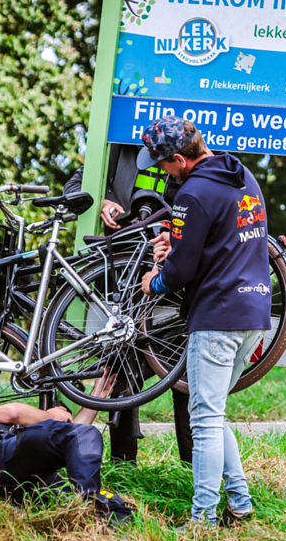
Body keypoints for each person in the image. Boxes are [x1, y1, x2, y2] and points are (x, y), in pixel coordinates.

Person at [140, 116, 271, 529]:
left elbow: (179, 272)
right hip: (254, 311)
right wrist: (176, 240)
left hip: (217, 315)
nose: (161, 171)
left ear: (179, 159)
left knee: (204, 421)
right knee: (214, 414)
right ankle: (241, 505)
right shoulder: (240, 173)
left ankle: (201, 520)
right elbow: (221, 237)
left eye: (163, 165)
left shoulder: (192, 193)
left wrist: (154, 281)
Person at [64, 144, 193, 466]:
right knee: (120, 365)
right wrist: (102, 201)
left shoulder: (191, 156)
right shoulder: (115, 149)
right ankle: (124, 464)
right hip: (124, 274)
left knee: (187, 375)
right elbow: (73, 187)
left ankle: (192, 466)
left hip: (175, 276)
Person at [0, 371, 135, 525]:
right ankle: (90, 509)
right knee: (84, 436)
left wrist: (94, 400)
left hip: (21, 483)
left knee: (118, 506)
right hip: (3, 465)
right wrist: (47, 416)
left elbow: (74, 434)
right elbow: (12, 413)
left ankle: (98, 515)